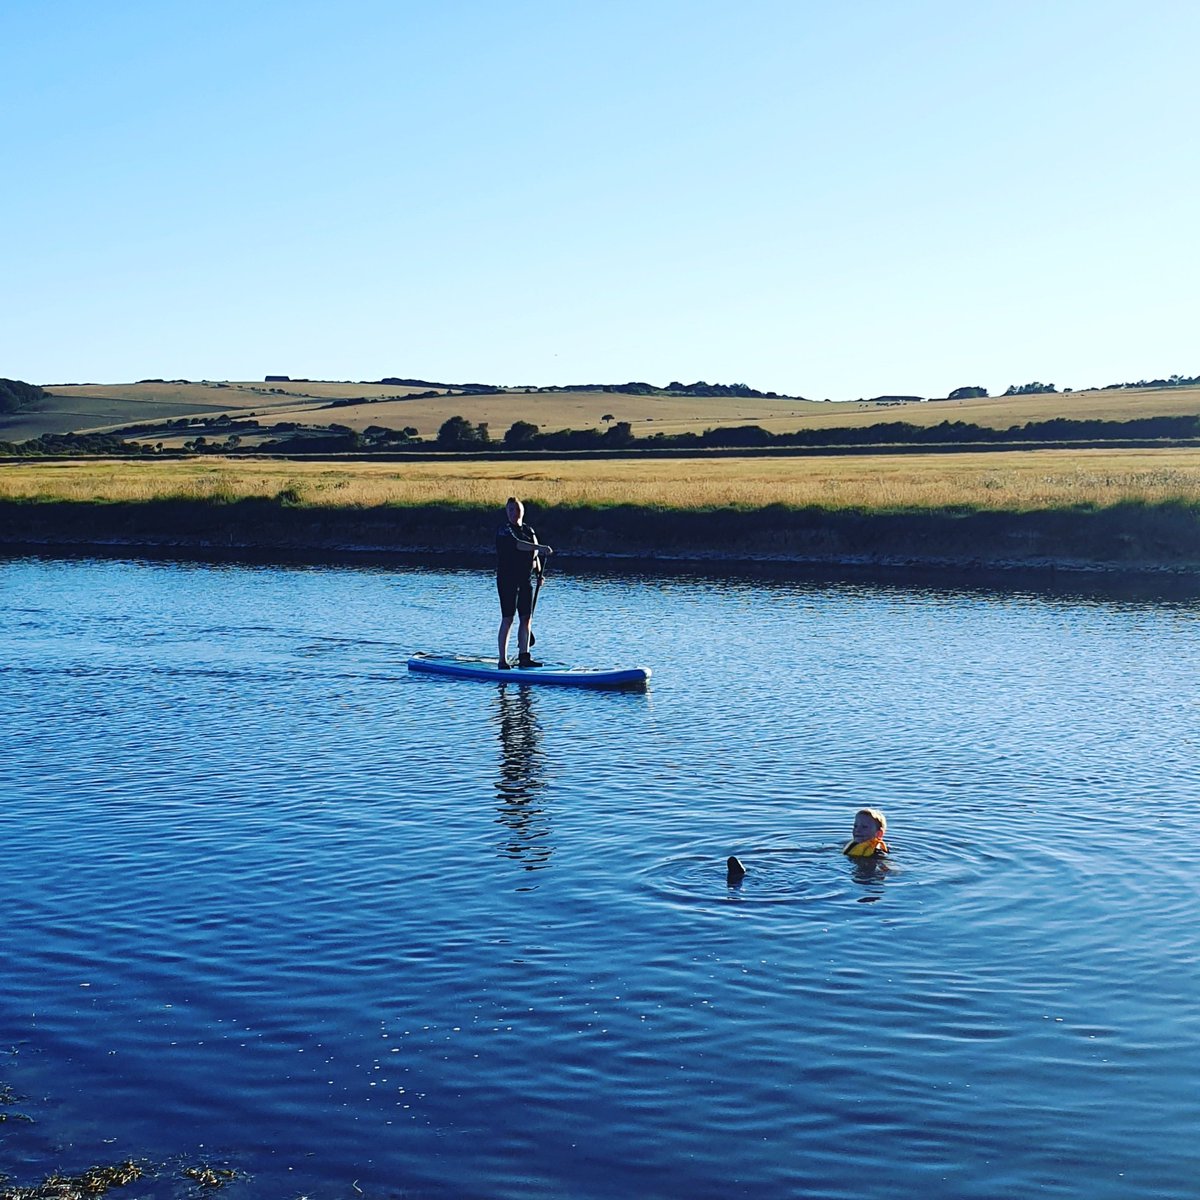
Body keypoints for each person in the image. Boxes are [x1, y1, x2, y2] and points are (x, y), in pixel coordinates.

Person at [496, 496, 552, 670]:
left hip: (525, 579)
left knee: (526, 619)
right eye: (511, 510)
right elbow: (519, 545)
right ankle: (502, 660)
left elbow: (534, 556)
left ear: (522, 511)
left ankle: (524, 656)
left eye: (517, 509)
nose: (514, 513)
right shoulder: (504, 531)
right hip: (507, 580)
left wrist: (539, 574)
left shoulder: (529, 530)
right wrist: (540, 547)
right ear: (507, 512)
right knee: (508, 619)